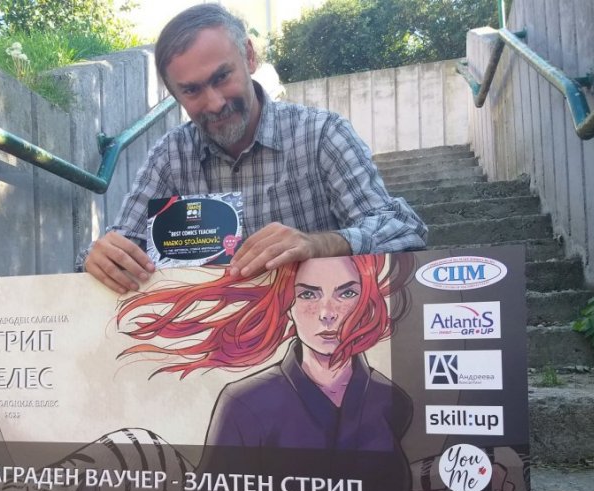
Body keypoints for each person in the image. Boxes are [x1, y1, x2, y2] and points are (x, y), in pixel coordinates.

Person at [82, 4, 427, 293]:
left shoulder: (321, 134)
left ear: (249, 56)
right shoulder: (169, 156)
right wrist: (98, 257)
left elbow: (404, 230)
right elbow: (120, 248)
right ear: (175, 95)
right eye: (192, 91)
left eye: (221, 77)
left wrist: (319, 244)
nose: (214, 103)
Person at [116, 254, 415, 491]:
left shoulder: (392, 401)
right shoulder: (246, 404)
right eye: (308, 295)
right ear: (288, 305)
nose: (327, 314)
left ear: (367, 300)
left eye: (346, 293)